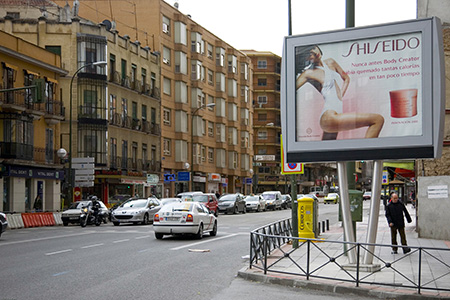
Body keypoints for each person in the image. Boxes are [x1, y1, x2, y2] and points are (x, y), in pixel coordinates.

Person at [296, 45, 384, 140]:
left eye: (313, 48)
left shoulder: (331, 62)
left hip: (336, 114)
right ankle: (367, 155)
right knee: (377, 120)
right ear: (306, 58)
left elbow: (346, 78)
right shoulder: (309, 73)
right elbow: (291, 90)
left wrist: (341, 95)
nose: (314, 52)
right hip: (329, 117)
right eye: (309, 54)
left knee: (328, 152)